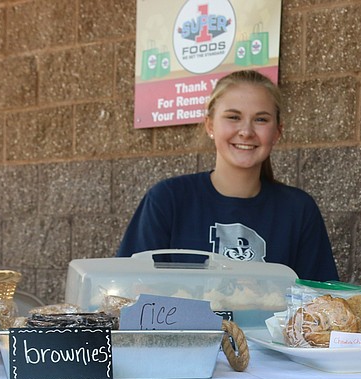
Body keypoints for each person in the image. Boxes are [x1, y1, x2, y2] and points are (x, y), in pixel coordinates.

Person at [118, 70, 339, 282]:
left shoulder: (298, 209)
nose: (246, 131)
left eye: (261, 119)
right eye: (233, 117)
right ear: (210, 125)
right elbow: (129, 289)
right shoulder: (168, 200)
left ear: (277, 132)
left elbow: (320, 301)